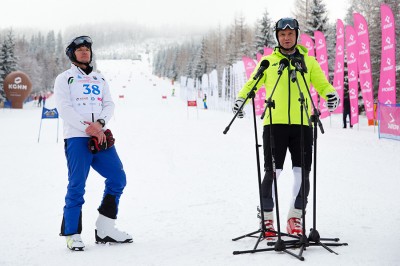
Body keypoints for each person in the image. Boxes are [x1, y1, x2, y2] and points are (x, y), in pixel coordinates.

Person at [233, 18, 339, 237]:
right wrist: (241, 99)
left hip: (302, 125)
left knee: (303, 174)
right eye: (282, 34)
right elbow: (252, 83)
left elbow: (322, 84)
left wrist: (331, 94)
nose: (287, 38)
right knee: (273, 172)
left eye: (290, 34)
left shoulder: (308, 62)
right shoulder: (268, 62)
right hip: (274, 125)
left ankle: (295, 217)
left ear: (297, 35)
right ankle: (267, 219)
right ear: (277, 37)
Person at [54, 35, 132, 251]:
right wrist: (88, 127)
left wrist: (99, 125)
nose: (85, 52)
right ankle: (72, 233)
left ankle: (105, 228)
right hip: (77, 137)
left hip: (101, 136)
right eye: (79, 50)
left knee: (118, 178)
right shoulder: (64, 78)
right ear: (72, 54)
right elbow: (65, 108)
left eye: (87, 49)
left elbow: (109, 104)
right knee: (77, 184)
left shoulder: (100, 78)